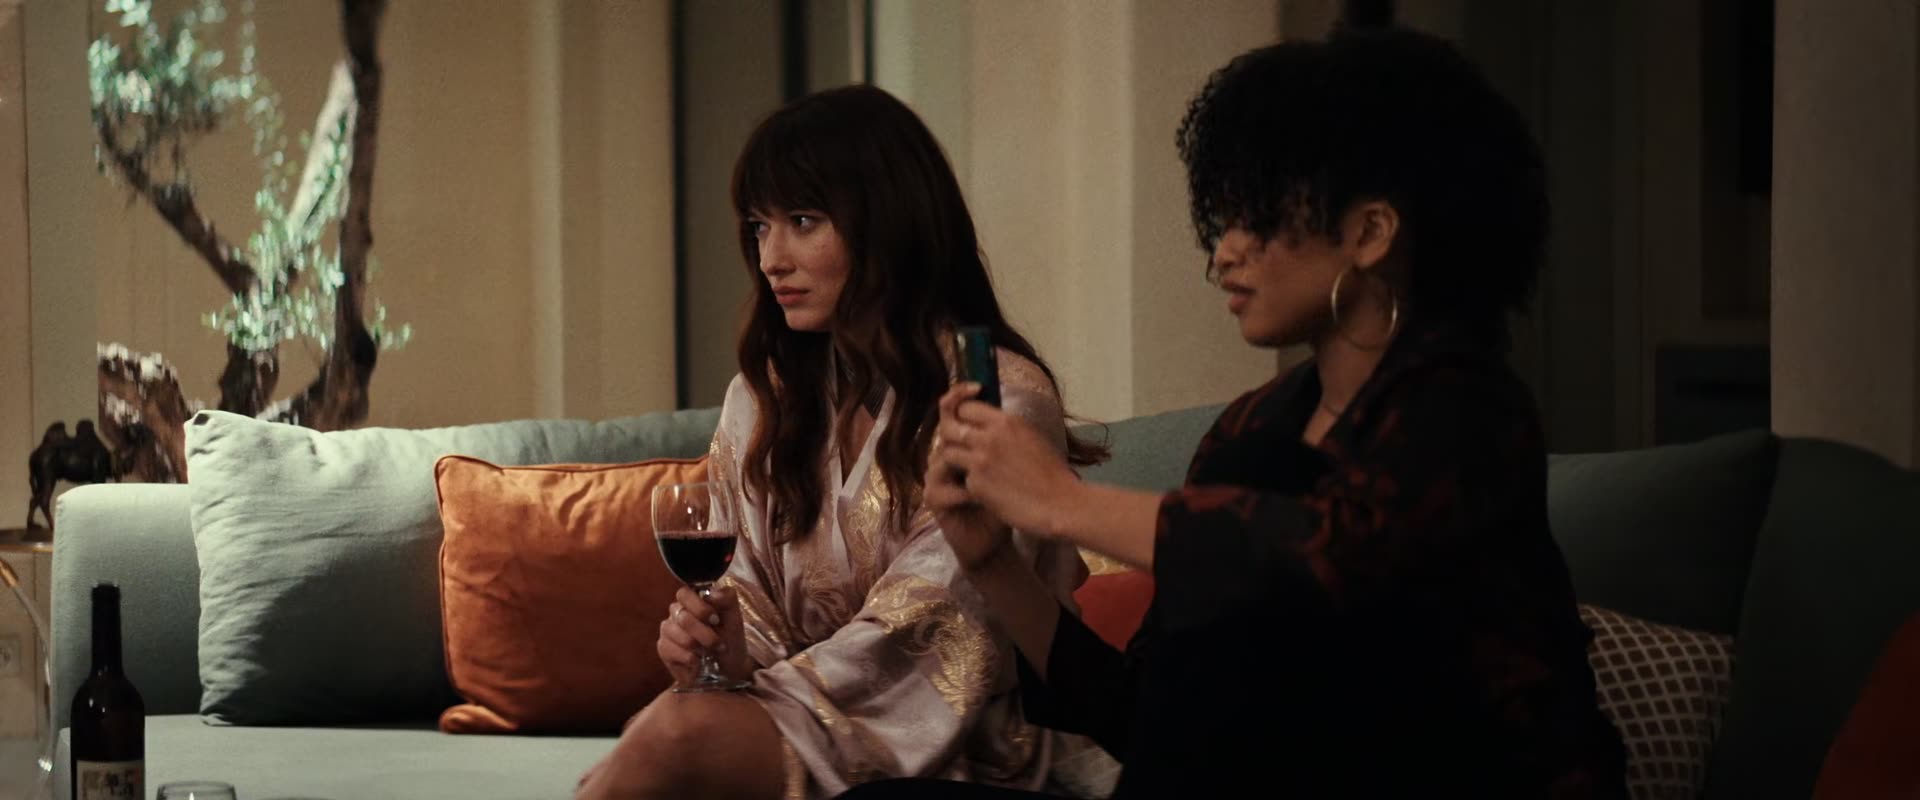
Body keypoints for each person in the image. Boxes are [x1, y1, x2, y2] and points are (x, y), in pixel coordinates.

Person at [849, 25, 1630, 800]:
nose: (1222, 253)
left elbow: (1337, 558)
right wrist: (994, 562)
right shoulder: (1253, 427)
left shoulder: (1468, 409)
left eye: (1252, 219)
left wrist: (1060, 502)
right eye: (1219, 221)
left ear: (1369, 233)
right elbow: (1144, 715)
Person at [575, 84, 1108, 800]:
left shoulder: (997, 400)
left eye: (803, 221)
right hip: (802, 711)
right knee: (670, 728)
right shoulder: (762, 398)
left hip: (972, 750)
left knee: (678, 735)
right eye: (759, 227)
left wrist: (729, 712)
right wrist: (725, 649)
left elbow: (937, 634)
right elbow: (746, 596)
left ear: (889, 223)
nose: (772, 258)